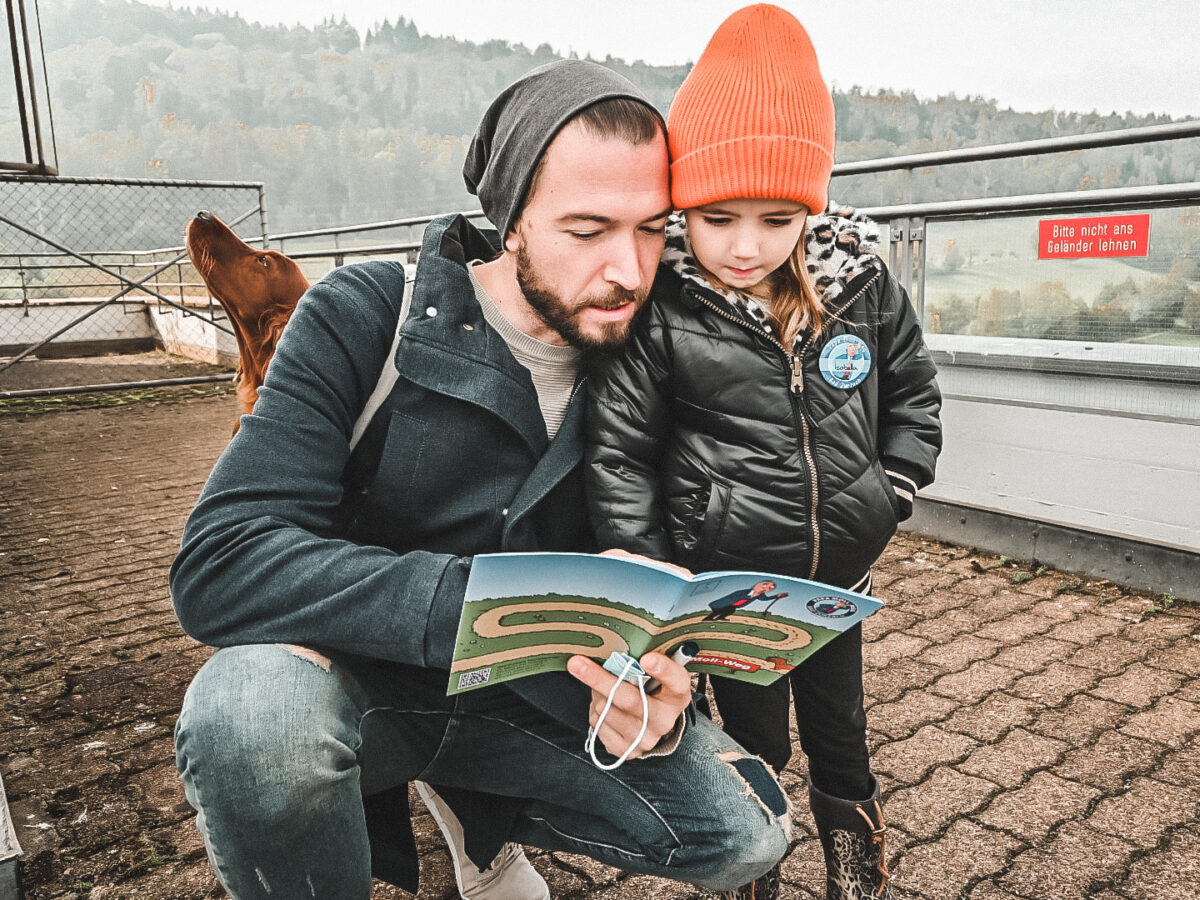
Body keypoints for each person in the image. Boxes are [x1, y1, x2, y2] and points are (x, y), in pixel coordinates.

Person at [170, 59, 791, 900]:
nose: (629, 271)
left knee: (747, 833)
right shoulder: (366, 315)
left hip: (535, 704)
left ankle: (478, 806)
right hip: (359, 685)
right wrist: (482, 607)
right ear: (511, 221)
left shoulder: (661, 353)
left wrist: (660, 667)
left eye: (652, 230)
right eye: (587, 230)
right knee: (251, 721)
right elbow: (221, 563)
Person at [585, 7, 942, 900]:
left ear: (811, 207)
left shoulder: (862, 288)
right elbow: (620, 452)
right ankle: (756, 872)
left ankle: (858, 875)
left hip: (837, 587)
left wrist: (891, 486)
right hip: (730, 595)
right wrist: (656, 576)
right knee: (755, 746)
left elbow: (913, 392)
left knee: (843, 739)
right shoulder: (664, 312)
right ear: (682, 207)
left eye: (777, 218)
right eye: (716, 218)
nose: (744, 247)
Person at [702, 580, 788, 620]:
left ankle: (720, 618)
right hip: (723, 603)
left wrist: (777, 596)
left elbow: (765, 599)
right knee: (717, 611)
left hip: (733, 606)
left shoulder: (760, 595)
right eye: (764, 585)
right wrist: (751, 596)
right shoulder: (743, 592)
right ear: (755, 585)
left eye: (769, 588)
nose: (766, 588)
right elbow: (735, 598)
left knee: (730, 611)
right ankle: (708, 618)